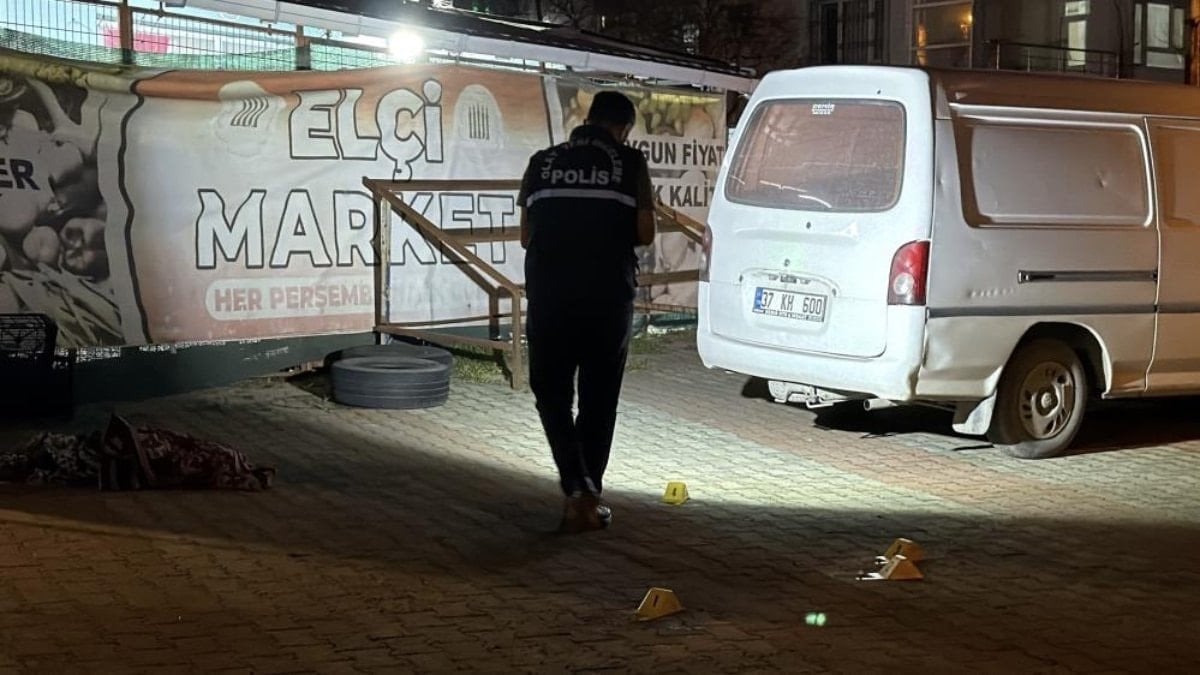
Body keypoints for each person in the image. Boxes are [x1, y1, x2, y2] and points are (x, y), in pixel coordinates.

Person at [517, 91, 656, 533]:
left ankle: (575, 486)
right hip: (607, 297)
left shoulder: (541, 162)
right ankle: (588, 496)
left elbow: (526, 236)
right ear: (624, 129)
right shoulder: (629, 163)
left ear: (588, 118)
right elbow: (645, 232)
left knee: (552, 394)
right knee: (599, 399)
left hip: (550, 295)